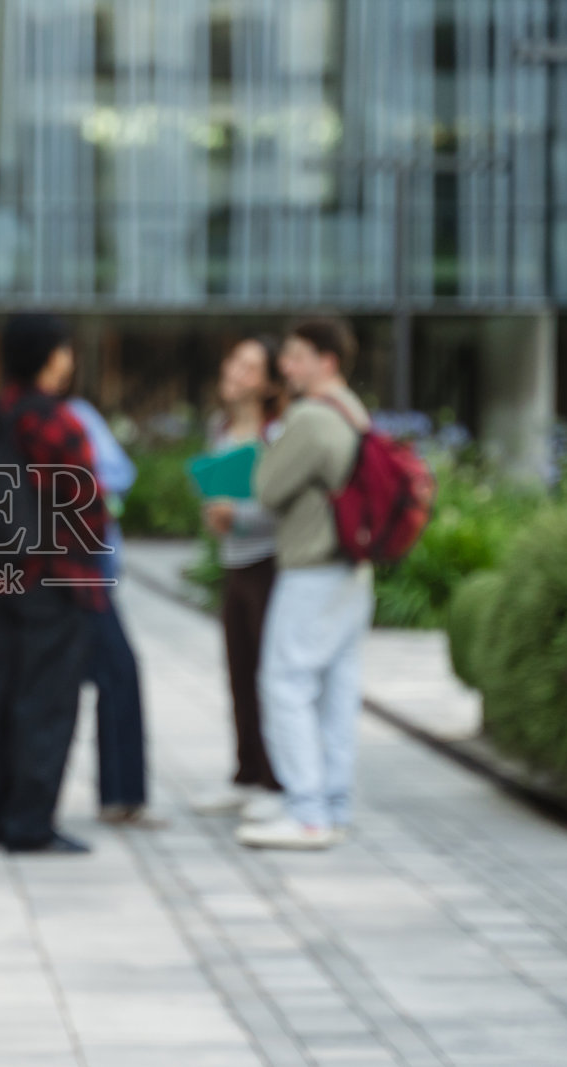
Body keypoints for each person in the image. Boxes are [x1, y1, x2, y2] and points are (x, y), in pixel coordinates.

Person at [0, 314, 111, 855]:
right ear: (50, 356)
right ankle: (30, 823)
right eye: (64, 351)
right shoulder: (56, 421)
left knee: (3, 689)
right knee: (47, 699)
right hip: (51, 578)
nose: (69, 361)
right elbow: (88, 505)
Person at [239, 318, 374, 850]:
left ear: (327, 361)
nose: (286, 367)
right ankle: (334, 806)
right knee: (339, 689)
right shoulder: (354, 411)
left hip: (312, 567)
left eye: (296, 356)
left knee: (285, 683)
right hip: (352, 567)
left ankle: (307, 813)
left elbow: (267, 488)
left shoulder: (313, 418)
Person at [194, 336, 286, 820]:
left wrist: (241, 517)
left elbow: (286, 505)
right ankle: (247, 773)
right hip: (234, 563)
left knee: (272, 674)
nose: (235, 370)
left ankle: (277, 779)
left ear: (270, 381)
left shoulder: (278, 434)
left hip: (270, 562)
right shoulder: (222, 427)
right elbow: (218, 489)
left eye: (250, 366)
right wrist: (215, 511)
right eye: (234, 360)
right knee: (239, 670)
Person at [62, 392, 155, 828]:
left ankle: (121, 797)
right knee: (118, 673)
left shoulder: (62, 414)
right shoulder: (68, 416)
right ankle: (122, 798)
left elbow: (117, 473)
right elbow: (116, 474)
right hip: (80, 571)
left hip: (67, 569)